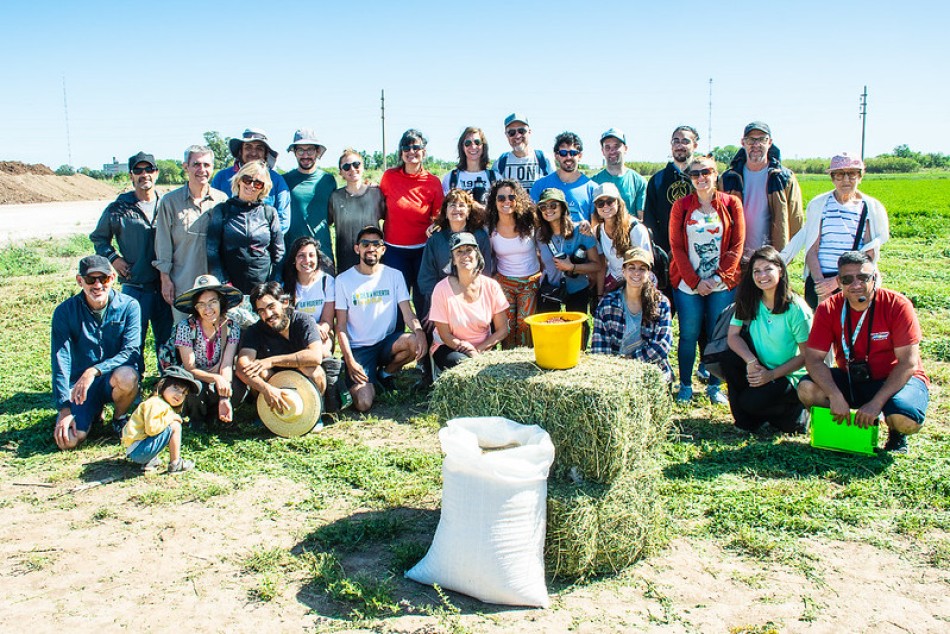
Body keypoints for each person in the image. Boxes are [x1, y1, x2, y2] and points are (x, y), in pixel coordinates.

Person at [798, 251, 929, 454]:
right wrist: (834, 395)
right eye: (847, 279)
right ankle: (838, 434)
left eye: (863, 277)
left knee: (905, 420)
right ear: (839, 282)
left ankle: (896, 435)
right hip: (853, 378)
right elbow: (814, 359)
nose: (856, 284)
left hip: (895, 379)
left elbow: (908, 363)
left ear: (874, 278)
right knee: (807, 388)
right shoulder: (828, 308)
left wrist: (876, 403)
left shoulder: (897, 305)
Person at [670, 156, 745, 404]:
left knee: (718, 335)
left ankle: (714, 387)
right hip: (688, 282)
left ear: (716, 174)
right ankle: (685, 386)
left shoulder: (731, 204)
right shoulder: (681, 206)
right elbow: (677, 247)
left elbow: (737, 245)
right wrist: (695, 281)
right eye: (695, 174)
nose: (700, 178)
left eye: (706, 172)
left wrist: (716, 278)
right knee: (688, 334)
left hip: (721, 283)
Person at [90, 151, 171, 371]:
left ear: (156, 173)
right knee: (134, 337)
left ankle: (168, 378)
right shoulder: (119, 208)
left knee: (167, 337)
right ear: (131, 175)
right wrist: (113, 258)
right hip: (136, 285)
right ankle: (134, 379)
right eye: (138, 170)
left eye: (149, 170)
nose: (144, 174)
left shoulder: (167, 204)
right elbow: (99, 237)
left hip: (166, 284)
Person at [51, 256, 141, 450]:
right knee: (68, 440)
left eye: (104, 278)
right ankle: (91, 411)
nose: (98, 285)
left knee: (128, 376)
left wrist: (94, 371)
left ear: (113, 278)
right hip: (81, 386)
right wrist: (64, 408)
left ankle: (119, 418)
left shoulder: (129, 306)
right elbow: (61, 359)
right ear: (79, 280)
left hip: (113, 377)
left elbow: (131, 351)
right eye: (91, 279)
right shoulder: (64, 312)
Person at [721, 247, 813, 434]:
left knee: (750, 401)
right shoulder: (750, 300)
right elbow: (733, 335)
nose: (762, 275)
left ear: (780, 269)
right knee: (728, 359)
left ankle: (795, 413)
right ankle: (746, 422)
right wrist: (751, 361)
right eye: (757, 271)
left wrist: (771, 375)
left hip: (788, 375)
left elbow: (807, 356)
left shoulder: (796, 308)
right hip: (761, 365)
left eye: (768, 269)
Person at [335, 226, 427, 411]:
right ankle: (362, 380)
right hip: (360, 349)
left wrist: (419, 332)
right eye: (365, 244)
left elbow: (407, 312)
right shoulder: (343, 280)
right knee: (363, 403)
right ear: (357, 249)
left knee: (413, 342)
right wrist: (350, 361)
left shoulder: (394, 275)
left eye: (376, 244)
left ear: (383, 249)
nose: (371, 248)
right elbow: (341, 326)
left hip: (386, 343)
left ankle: (385, 374)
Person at [781, 153, 890, 309]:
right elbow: (812, 248)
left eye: (852, 174)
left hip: (854, 281)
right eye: (839, 175)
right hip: (821, 279)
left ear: (860, 177)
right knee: (822, 329)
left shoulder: (870, 207)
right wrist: (821, 285)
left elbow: (869, 253)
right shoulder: (820, 205)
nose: (846, 180)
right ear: (832, 178)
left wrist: (837, 281)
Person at [154, 144, 229, 323]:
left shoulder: (222, 201)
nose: (201, 170)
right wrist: (165, 279)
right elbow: (163, 242)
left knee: (214, 340)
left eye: (206, 165)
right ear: (185, 167)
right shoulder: (170, 202)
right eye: (196, 164)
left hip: (215, 287)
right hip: (182, 285)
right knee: (185, 337)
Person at [379, 129, 444, 321]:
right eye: (406, 147)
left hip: (422, 251)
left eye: (416, 147)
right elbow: (378, 203)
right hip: (394, 250)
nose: (411, 151)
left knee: (424, 298)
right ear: (401, 153)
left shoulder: (432, 182)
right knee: (396, 300)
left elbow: (439, 218)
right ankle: (396, 344)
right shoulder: (389, 177)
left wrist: (435, 226)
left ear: (424, 152)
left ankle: (427, 343)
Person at [236, 282, 328, 413]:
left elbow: (315, 356)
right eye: (261, 311)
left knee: (314, 370)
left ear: (284, 302)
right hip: (273, 382)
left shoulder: (303, 320)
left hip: (304, 380)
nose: (267, 315)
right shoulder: (254, 331)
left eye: (271, 306)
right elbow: (241, 368)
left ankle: (315, 411)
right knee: (260, 373)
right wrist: (265, 389)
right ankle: (268, 413)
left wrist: (271, 361)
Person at [720, 121, 803, 260]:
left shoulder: (784, 178)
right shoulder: (727, 178)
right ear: (743, 142)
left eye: (761, 139)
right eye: (751, 139)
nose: (756, 144)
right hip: (735, 260)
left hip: (771, 259)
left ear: (769, 142)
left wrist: (784, 257)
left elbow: (796, 220)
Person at [428, 232, 509, 371]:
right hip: (450, 347)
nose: (465, 255)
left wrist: (478, 350)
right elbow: (445, 335)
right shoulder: (441, 289)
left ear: (477, 255)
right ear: (452, 259)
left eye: (469, 250)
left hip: (483, 347)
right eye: (459, 252)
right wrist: (469, 351)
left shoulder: (491, 286)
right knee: (466, 368)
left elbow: (503, 329)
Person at [170, 274, 244, 427]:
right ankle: (196, 419)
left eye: (212, 302)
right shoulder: (186, 327)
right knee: (194, 388)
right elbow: (190, 367)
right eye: (201, 304)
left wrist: (224, 397)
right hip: (196, 375)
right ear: (195, 307)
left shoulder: (231, 327)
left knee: (238, 387)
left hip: (220, 372)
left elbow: (227, 364)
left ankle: (218, 416)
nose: (208, 309)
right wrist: (216, 379)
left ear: (221, 303)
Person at [591, 247, 673, 381]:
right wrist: (612, 371)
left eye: (642, 269)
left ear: (649, 273)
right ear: (623, 271)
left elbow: (662, 345)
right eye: (631, 267)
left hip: (651, 370)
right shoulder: (607, 304)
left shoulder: (661, 303)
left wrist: (630, 361)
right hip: (615, 372)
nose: (636, 273)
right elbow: (599, 348)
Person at [206, 161, 284, 298]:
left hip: (262, 289)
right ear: (239, 180)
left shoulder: (269, 213)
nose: (251, 186)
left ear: (263, 188)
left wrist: (273, 285)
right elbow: (212, 251)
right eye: (247, 179)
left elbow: (279, 253)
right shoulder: (222, 211)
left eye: (258, 183)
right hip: (229, 287)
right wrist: (224, 283)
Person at [535, 188, 601, 330]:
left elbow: (597, 265)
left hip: (577, 289)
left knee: (578, 330)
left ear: (563, 207)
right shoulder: (539, 235)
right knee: (548, 330)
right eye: (543, 207)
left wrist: (572, 267)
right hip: (551, 289)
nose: (548, 210)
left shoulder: (581, 231)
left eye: (553, 205)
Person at [487, 179, 540, 348]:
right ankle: (507, 362)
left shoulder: (531, 221)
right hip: (505, 282)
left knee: (524, 323)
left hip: (529, 282)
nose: (506, 201)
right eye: (501, 198)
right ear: (494, 201)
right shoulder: (489, 228)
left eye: (511, 197)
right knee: (506, 325)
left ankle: (523, 360)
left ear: (519, 200)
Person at [210, 128, 291, 234]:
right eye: (248, 147)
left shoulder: (277, 181)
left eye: (259, 148)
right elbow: (212, 213)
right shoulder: (221, 177)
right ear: (240, 151)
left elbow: (283, 221)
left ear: (266, 153)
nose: (253, 153)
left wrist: (261, 241)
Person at [121, 365, 199, 473]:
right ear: (162, 385)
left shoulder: (161, 404)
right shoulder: (155, 403)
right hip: (139, 451)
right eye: (175, 388)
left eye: (184, 393)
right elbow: (152, 429)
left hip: (136, 450)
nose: (179, 395)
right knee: (175, 426)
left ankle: (149, 461)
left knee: (169, 425)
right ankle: (175, 464)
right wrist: (171, 418)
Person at [418, 188, 494, 299]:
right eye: (452, 205)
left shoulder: (480, 236)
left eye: (462, 205)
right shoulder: (435, 239)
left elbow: (485, 271)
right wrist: (436, 299)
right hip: (443, 297)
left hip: (473, 295)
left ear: (468, 211)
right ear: (445, 211)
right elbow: (427, 276)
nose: (457, 209)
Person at [644, 125, 698, 265]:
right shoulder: (657, 180)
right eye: (676, 141)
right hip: (667, 255)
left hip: (699, 251)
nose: (679, 145)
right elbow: (650, 220)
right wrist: (661, 252)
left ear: (695, 145)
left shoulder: (703, 177)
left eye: (685, 141)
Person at [590, 182, 652, 298]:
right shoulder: (598, 231)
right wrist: (599, 294)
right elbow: (602, 265)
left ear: (618, 202)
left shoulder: (635, 228)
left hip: (638, 282)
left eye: (610, 201)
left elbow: (646, 265)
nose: (605, 206)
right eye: (600, 203)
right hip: (613, 282)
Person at [329, 148, 385, 273]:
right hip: (346, 260)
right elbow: (328, 221)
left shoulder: (376, 193)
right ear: (341, 173)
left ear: (363, 167)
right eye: (347, 167)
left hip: (373, 259)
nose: (352, 169)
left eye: (356, 164)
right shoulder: (336, 197)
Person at [283, 129, 336, 258]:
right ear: (294, 152)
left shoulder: (328, 180)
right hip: (293, 254)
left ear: (317, 152)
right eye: (300, 150)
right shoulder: (285, 180)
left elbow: (332, 216)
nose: (305, 155)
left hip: (323, 252)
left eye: (310, 150)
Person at [282, 236, 336, 358]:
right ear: (294, 260)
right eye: (301, 256)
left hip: (321, 332)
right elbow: (287, 322)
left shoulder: (327, 282)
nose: (307, 260)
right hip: (295, 333)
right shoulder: (286, 285)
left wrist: (316, 329)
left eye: (311, 255)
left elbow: (327, 321)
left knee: (321, 352)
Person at [530, 132, 597, 227]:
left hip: (582, 241)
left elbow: (595, 227)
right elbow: (534, 220)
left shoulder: (592, 188)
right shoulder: (540, 185)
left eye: (573, 153)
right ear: (556, 156)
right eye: (563, 153)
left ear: (580, 156)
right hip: (548, 241)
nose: (568, 157)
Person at [591, 128, 647, 219]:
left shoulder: (639, 182)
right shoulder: (593, 182)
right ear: (603, 151)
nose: (612, 151)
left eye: (616, 146)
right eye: (607, 147)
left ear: (625, 148)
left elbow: (641, 218)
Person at [494, 113, 551, 191]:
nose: (517, 136)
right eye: (511, 132)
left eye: (521, 131)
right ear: (506, 135)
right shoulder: (500, 162)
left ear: (529, 132)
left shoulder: (544, 159)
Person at [442, 126, 495, 207]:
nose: (473, 147)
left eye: (477, 142)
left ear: (483, 146)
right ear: (462, 147)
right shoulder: (450, 178)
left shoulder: (495, 177)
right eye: (468, 143)